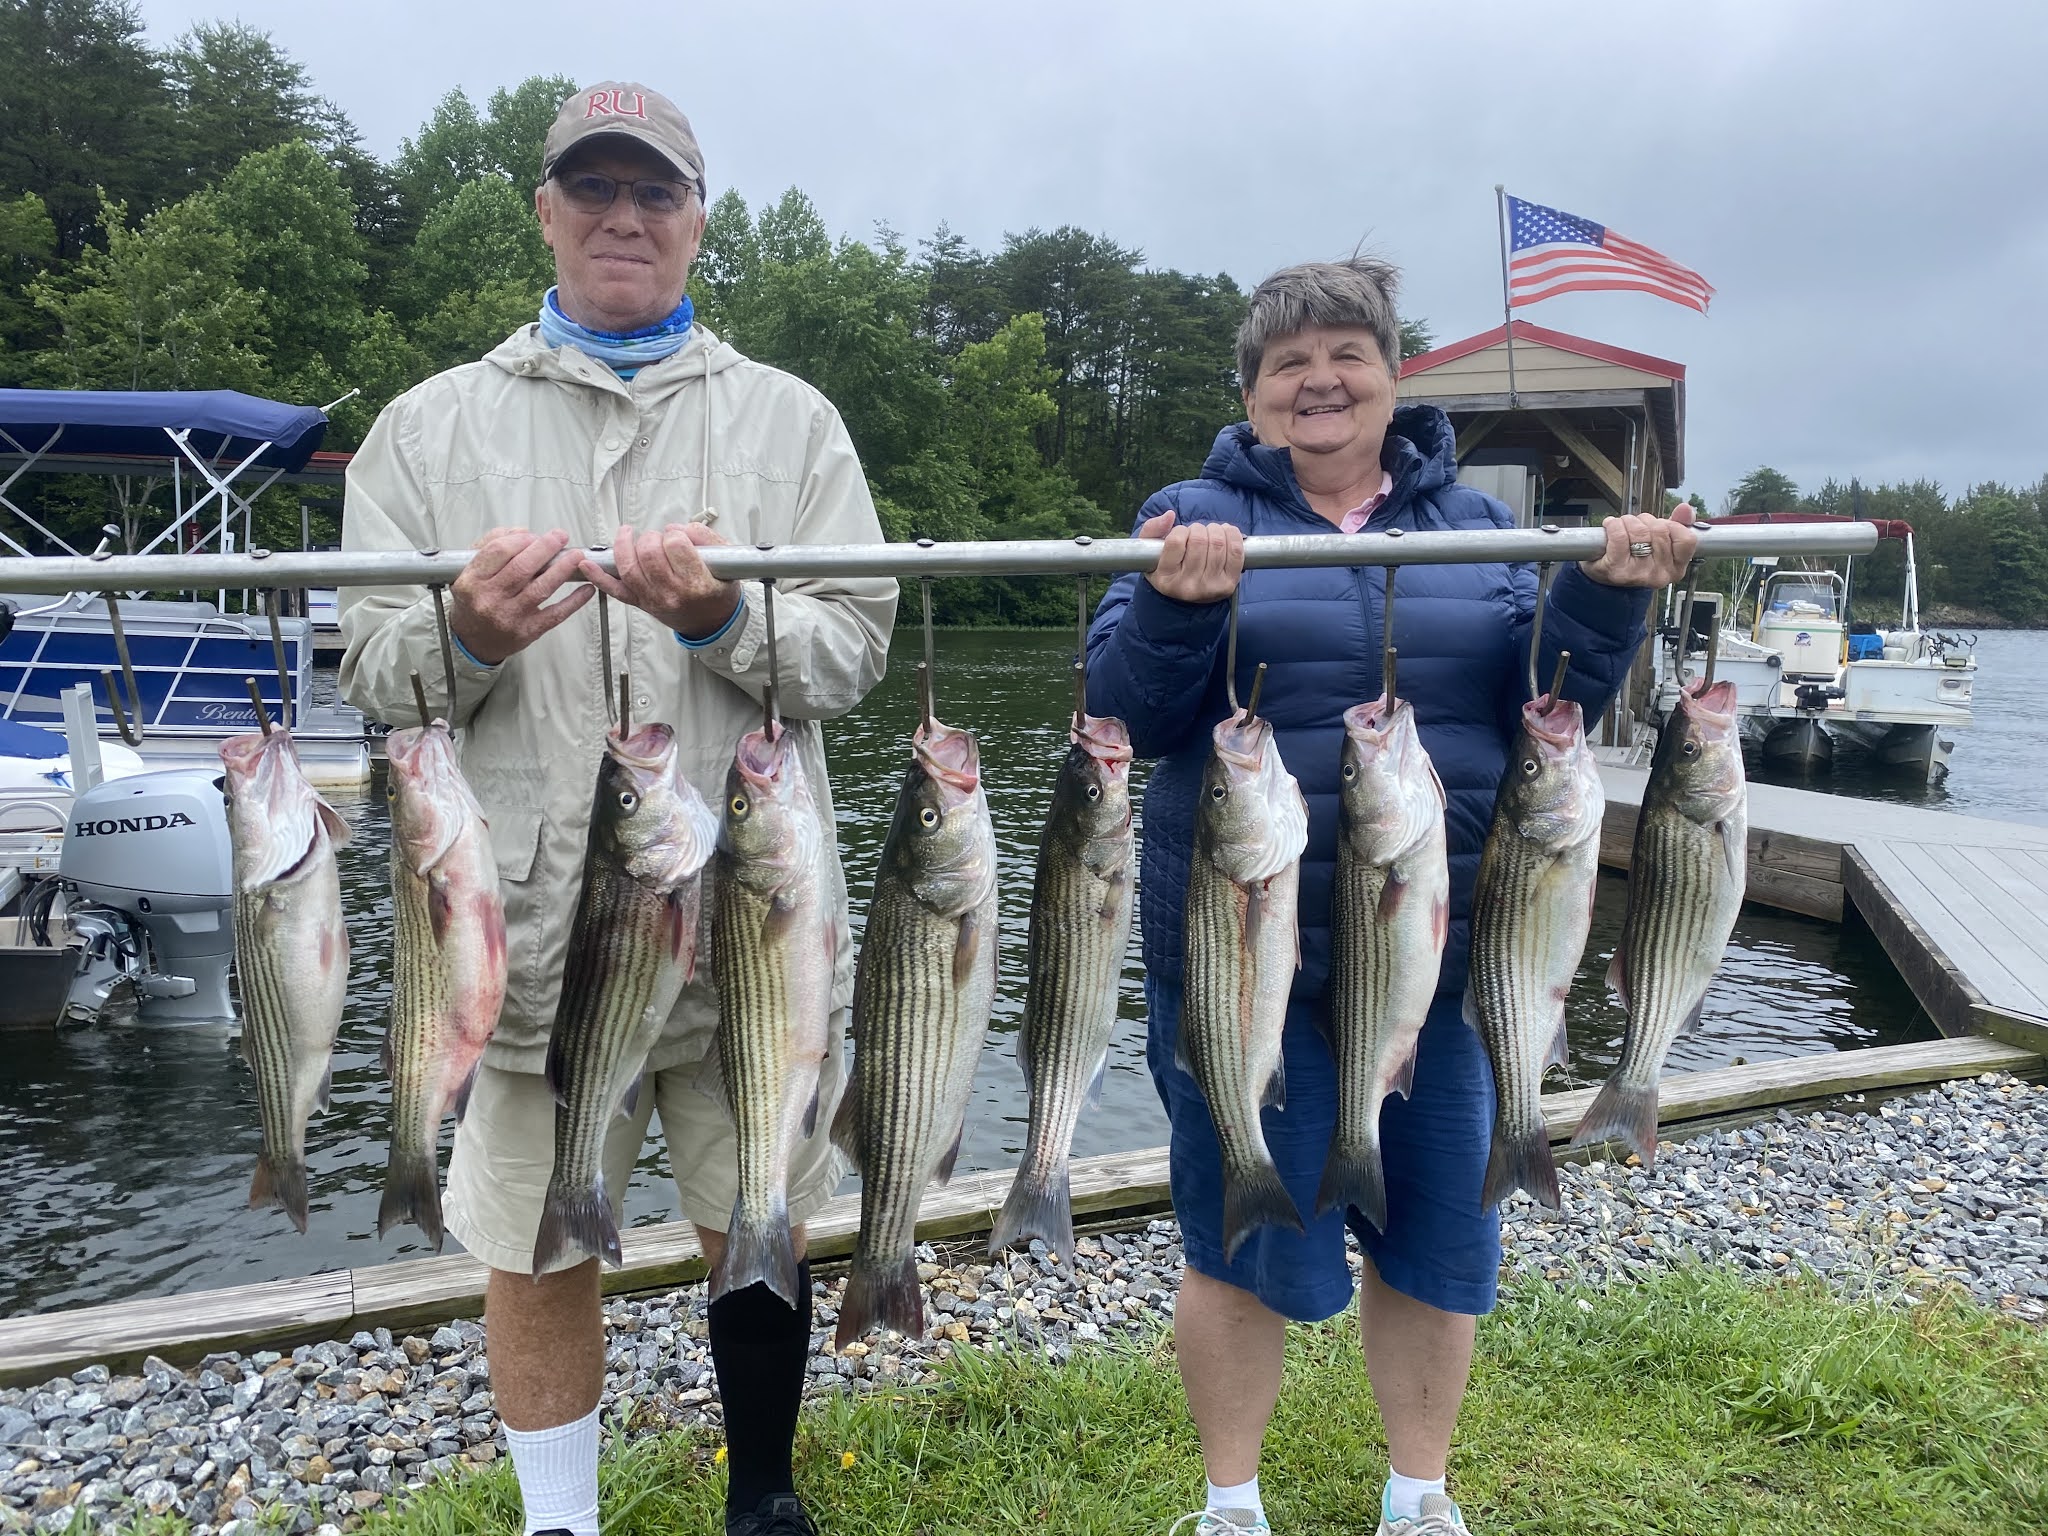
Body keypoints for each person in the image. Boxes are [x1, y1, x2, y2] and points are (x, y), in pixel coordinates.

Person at [339, 81, 895, 1536]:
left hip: (754, 922)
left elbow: (853, 650)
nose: (623, 216)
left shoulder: (794, 422)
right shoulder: (424, 428)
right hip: (526, 936)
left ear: (699, 220)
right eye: (592, 188)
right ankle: (559, 1521)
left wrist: (722, 622)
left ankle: (762, 1497)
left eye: (655, 191)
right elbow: (372, 670)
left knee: (754, 1209)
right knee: (535, 1246)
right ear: (544, 212)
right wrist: (463, 637)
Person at [1084, 258, 1696, 1536]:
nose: (1318, 380)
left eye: (1344, 354)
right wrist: (1176, 608)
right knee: (1237, 1243)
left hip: (1450, 957)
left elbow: (1550, 700)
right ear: (1250, 394)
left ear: (1391, 375)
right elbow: (1124, 713)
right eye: (1286, 363)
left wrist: (1604, 597)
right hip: (1242, 957)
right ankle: (1229, 1504)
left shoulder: (1476, 526)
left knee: (1438, 1246)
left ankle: (1418, 1495)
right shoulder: (1186, 517)